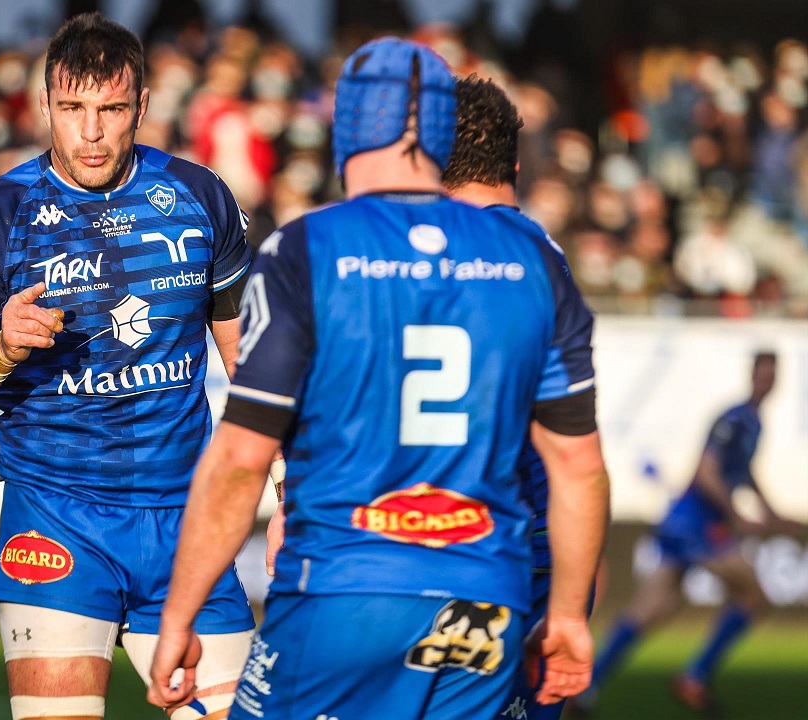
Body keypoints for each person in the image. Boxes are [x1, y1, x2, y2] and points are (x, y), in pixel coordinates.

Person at [147, 37, 610, 719]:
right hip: (485, 594)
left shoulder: (307, 248)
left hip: (344, 583)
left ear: (349, 128)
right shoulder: (530, 259)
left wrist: (181, 613)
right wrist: (569, 613)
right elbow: (577, 464)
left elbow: (241, 459)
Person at [0, 12, 255, 720]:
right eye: (72, 109)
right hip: (58, 521)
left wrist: (292, 491)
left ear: (143, 107)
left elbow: (253, 370)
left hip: (187, 520)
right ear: (43, 106)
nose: (91, 132)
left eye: (110, 109)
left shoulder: (201, 196)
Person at [443, 75, 590, 720]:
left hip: (447, 546)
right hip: (528, 549)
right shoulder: (541, 255)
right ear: (517, 161)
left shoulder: (411, 254)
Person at [577, 352, 799, 717]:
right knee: (754, 594)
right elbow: (707, 472)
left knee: (652, 610)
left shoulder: (754, 423)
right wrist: (736, 515)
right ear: (751, 376)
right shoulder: (733, 419)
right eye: (762, 375)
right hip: (695, 524)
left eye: (771, 376)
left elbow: (743, 472)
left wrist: (769, 510)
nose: (766, 382)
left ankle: (587, 684)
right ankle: (693, 676)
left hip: (683, 523)